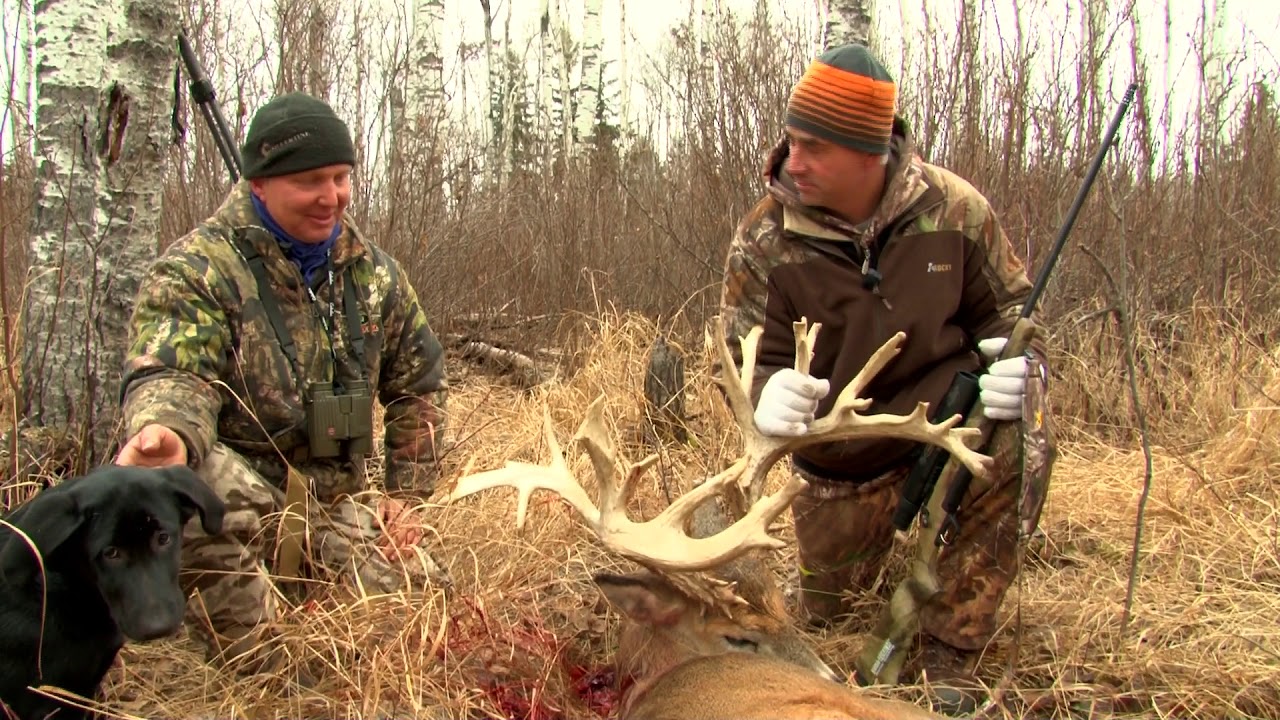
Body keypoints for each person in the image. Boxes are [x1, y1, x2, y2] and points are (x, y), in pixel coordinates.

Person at [715, 44, 1054, 714]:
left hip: (946, 440)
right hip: (839, 470)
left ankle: (950, 648)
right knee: (829, 615)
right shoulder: (764, 240)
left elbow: (1014, 314)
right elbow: (734, 358)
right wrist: (763, 400)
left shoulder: (958, 212)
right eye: (791, 139)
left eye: (814, 147)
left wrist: (1025, 370)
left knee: (1021, 432)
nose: (792, 160)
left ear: (870, 154)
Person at [115, 91, 452, 676]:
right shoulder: (198, 269)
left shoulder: (372, 274)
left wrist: (407, 494)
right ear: (259, 184)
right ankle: (254, 648)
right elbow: (173, 372)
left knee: (429, 606)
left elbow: (418, 382)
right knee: (192, 489)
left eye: (341, 177)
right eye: (310, 181)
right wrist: (168, 431)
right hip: (244, 501)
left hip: (335, 506)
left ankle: (311, 592)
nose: (332, 198)